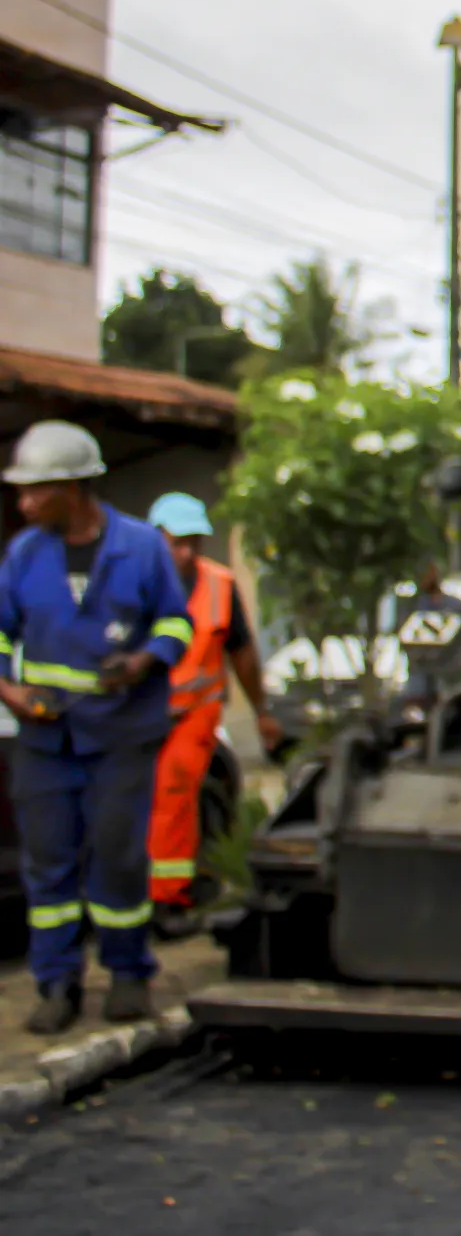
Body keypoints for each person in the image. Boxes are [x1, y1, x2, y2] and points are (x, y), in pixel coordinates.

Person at [0, 422, 195, 1034]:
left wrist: (142, 661)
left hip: (120, 734)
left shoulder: (140, 548)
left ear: (75, 488)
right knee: (49, 863)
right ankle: (56, 984)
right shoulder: (23, 555)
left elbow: (176, 624)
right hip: (44, 737)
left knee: (116, 856)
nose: (24, 504)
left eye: (36, 492)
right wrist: (11, 690)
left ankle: (129, 972)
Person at [143, 492, 282, 932]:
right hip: (137, 713)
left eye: (193, 542)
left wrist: (261, 710)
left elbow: (242, 654)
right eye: (176, 541)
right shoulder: (127, 583)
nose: (185, 551)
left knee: (174, 794)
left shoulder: (219, 585)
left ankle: (167, 900)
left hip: (194, 712)